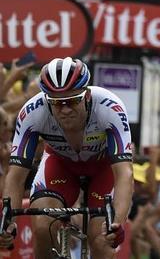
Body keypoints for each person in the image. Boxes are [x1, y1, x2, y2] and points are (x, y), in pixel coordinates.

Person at [0, 57, 134, 258]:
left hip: (103, 168)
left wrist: (117, 223)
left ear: (87, 96)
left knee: (101, 239)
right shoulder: (32, 112)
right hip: (60, 165)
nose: (64, 110)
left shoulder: (110, 107)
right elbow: (16, 175)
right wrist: (7, 223)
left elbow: (124, 172)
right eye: (56, 103)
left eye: (72, 101)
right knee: (44, 227)